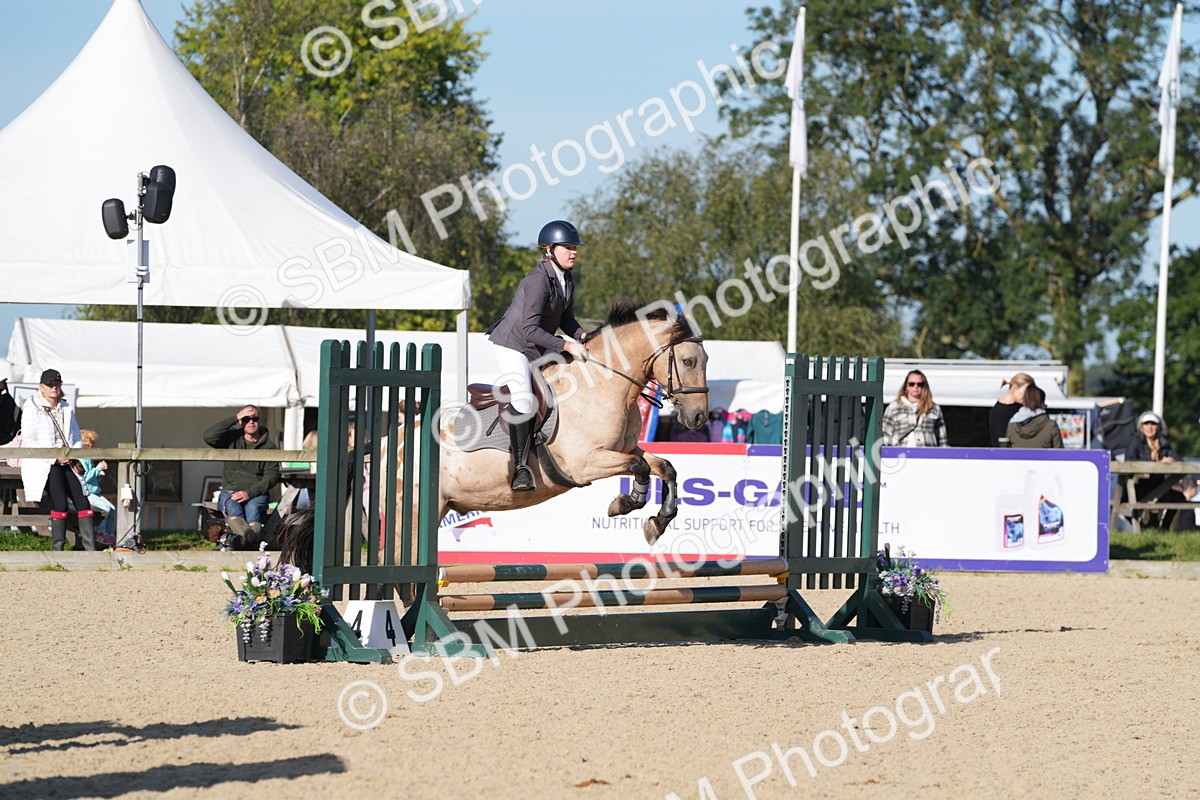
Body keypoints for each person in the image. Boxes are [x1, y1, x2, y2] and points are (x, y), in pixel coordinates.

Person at [485, 219, 590, 491]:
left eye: (575, 247)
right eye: (567, 247)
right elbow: (529, 329)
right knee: (523, 396)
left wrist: (581, 335)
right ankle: (520, 468)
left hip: (537, 344)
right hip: (513, 345)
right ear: (549, 250)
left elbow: (566, 319)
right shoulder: (536, 281)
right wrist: (566, 346)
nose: (574, 252)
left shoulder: (566, 278)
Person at [19, 369, 97, 551]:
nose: (54, 388)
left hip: (68, 461)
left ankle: (90, 550)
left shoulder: (66, 406)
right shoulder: (32, 406)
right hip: (45, 463)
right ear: (42, 387)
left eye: (57, 384)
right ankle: (58, 550)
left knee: (83, 503)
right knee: (60, 503)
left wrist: (72, 455)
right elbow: (29, 440)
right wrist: (54, 458)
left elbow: (76, 436)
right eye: (50, 384)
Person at [203, 405, 280, 550]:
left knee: (253, 508)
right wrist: (235, 417)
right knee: (232, 505)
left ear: (260, 420)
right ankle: (250, 541)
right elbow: (209, 436)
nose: (251, 422)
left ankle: (242, 541)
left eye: (255, 418)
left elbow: (271, 476)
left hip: (256, 493)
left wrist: (249, 493)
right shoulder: (232, 439)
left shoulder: (270, 447)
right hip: (230, 491)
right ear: (241, 421)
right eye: (246, 419)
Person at [1124, 411, 1185, 529]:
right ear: (1141, 427)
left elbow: (1179, 460)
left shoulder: (1163, 443)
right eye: (1146, 424)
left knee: (1179, 498)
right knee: (1143, 506)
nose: (1149, 427)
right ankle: (1143, 528)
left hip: (1159, 486)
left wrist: (1171, 460)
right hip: (1139, 487)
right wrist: (1153, 462)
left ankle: (1165, 529)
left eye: (1153, 424)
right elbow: (1129, 461)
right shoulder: (1135, 441)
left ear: (1158, 427)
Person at [72, 429, 116, 548]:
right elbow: (84, 478)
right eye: (93, 443)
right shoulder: (80, 460)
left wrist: (97, 473)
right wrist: (97, 469)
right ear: (88, 444)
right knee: (106, 509)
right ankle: (101, 533)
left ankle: (109, 533)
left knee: (113, 508)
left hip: (95, 492)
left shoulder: (88, 459)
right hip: (87, 493)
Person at [882, 370, 947, 446]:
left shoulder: (934, 408)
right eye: (911, 384)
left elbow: (942, 440)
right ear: (906, 386)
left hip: (927, 455)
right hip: (900, 455)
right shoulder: (893, 407)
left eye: (920, 384)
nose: (916, 386)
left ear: (924, 386)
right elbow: (885, 436)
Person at [990, 372, 1034, 446]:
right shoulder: (1000, 411)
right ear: (1014, 388)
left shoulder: (1022, 407)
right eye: (1026, 392)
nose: (1028, 396)